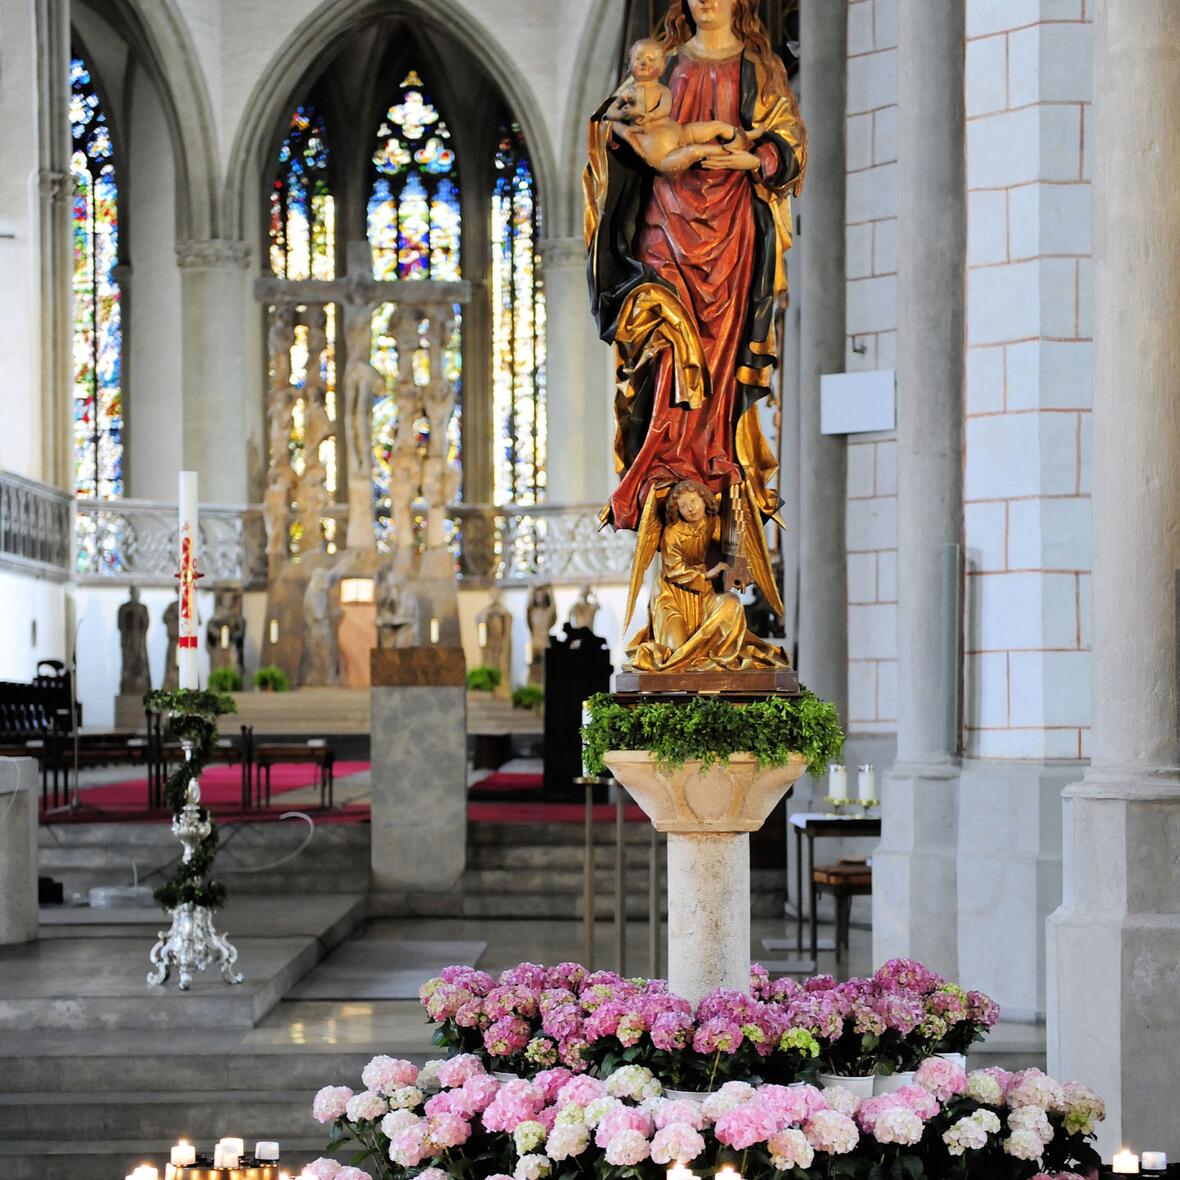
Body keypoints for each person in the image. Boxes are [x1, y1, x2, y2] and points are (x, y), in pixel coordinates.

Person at [586, 0, 807, 629]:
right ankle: (662, 466)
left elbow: (789, 144)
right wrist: (630, 137)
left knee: (716, 364)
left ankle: (714, 470)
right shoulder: (662, 65)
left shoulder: (759, 67)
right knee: (666, 350)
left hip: (732, 237)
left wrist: (752, 160)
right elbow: (607, 129)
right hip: (665, 231)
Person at [627, 480, 788, 673]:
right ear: (677, 510)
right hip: (672, 597)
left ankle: (714, 656)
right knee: (675, 654)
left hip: (704, 595)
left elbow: (734, 542)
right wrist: (708, 574)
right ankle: (696, 662)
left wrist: (742, 567)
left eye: (694, 501)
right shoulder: (672, 533)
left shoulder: (713, 523)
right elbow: (674, 570)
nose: (691, 508)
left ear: (705, 500)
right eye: (684, 506)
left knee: (732, 604)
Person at [604, 39, 742, 175]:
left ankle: (742, 135)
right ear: (629, 64)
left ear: (662, 66)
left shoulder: (661, 90)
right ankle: (727, 149)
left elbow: (665, 108)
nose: (643, 63)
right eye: (638, 58)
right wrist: (622, 114)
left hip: (680, 132)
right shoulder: (628, 92)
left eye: (651, 59)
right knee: (695, 151)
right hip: (664, 157)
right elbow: (610, 111)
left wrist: (651, 115)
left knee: (714, 126)